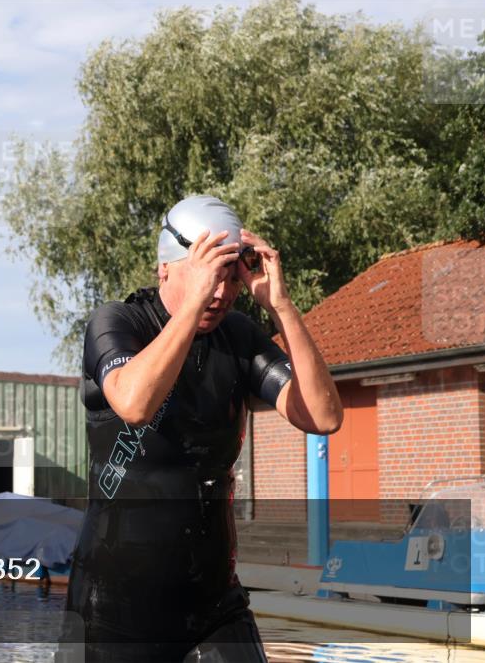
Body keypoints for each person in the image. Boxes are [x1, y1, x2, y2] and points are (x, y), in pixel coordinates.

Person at [60, 195, 343, 662]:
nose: (222, 292)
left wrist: (282, 307)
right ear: (165, 269)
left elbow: (323, 417)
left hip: (211, 602)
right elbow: (134, 403)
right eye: (210, 274)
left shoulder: (239, 338)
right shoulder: (117, 323)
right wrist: (191, 310)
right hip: (114, 607)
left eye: (231, 278)